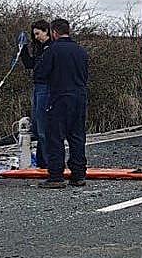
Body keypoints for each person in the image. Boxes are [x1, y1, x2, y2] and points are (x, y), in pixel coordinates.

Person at [35, 18, 89, 188]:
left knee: (55, 137)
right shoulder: (81, 51)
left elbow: (40, 74)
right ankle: (79, 175)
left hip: (59, 97)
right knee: (77, 137)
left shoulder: (52, 51)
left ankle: (56, 176)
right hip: (79, 97)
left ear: (54, 33)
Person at [19, 19, 52, 165]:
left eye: (38, 33)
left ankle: (48, 161)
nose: (37, 37)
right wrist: (23, 48)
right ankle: (41, 160)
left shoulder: (52, 48)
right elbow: (30, 64)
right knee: (37, 127)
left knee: (43, 126)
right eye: (35, 35)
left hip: (46, 87)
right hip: (38, 87)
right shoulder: (40, 48)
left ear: (46, 31)